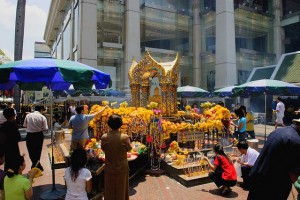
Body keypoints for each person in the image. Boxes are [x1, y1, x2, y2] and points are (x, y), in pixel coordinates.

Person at [247, 118, 300, 200]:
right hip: (272, 186)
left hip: (258, 177)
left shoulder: (278, 131)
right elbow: (294, 173)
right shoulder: (296, 141)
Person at [101, 114, 132, 200]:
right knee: (122, 188)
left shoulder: (104, 137)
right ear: (120, 124)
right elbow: (129, 149)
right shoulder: (125, 137)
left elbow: (103, 149)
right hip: (122, 167)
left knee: (109, 188)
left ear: (109, 124)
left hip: (109, 166)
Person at [23, 105, 48, 171]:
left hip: (29, 135)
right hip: (38, 135)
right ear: (41, 110)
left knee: (31, 151)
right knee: (38, 152)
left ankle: (35, 165)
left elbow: (24, 125)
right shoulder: (42, 117)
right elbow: (45, 128)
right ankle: (37, 166)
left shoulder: (28, 116)